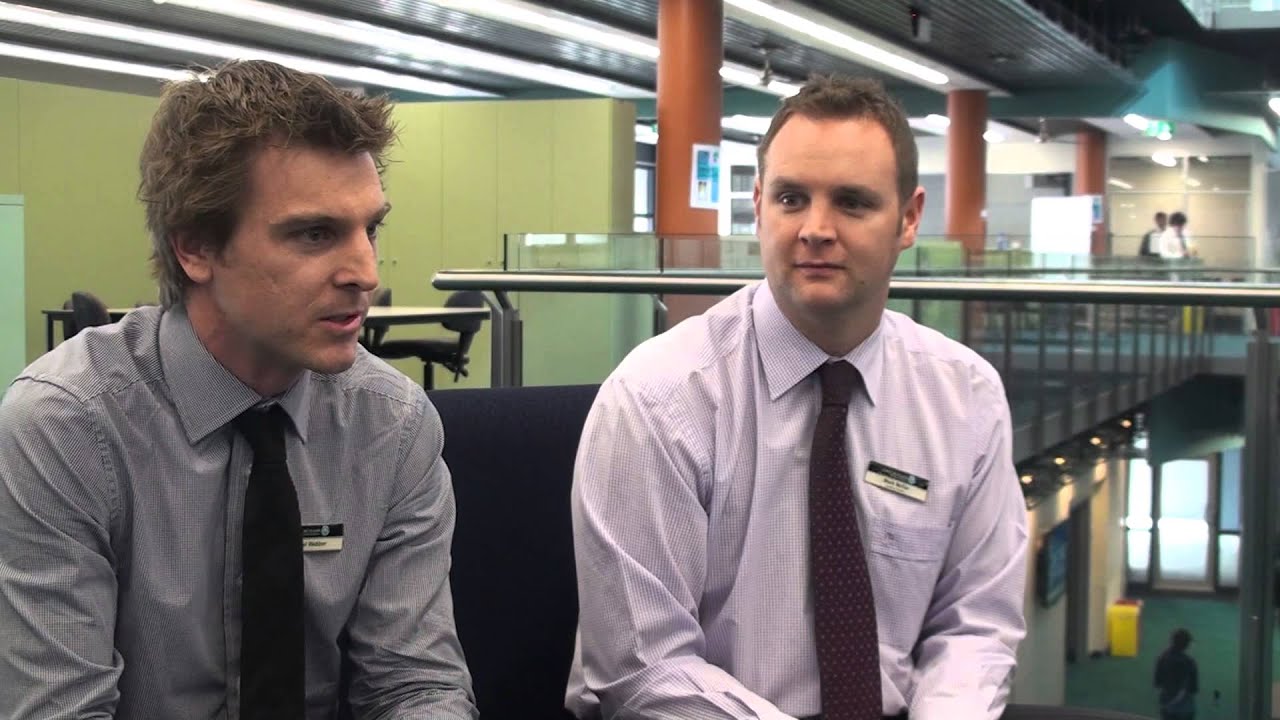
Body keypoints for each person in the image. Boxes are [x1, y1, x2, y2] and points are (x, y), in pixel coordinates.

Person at [0, 60, 477, 719]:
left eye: (370, 228)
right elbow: (61, 709)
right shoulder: (67, 426)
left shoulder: (392, 424)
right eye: (315, 234)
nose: (365, 272)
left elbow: (413, 685)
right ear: (196, 247)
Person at [566, 75, 1027, 720]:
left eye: (852, 202)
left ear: (909, 218)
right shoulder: (659, 398)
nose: (815, 229)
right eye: (791, 198)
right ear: (758, 206)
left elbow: (975, 625)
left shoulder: (965, 397)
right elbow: (645, 668)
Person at [1153, 629, 1198, 720]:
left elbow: (1157, 683)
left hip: (1167, 704)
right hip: (1184, 709)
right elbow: (1193, 688)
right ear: (1186, 645)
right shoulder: (1189, 662)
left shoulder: (1162, 658)